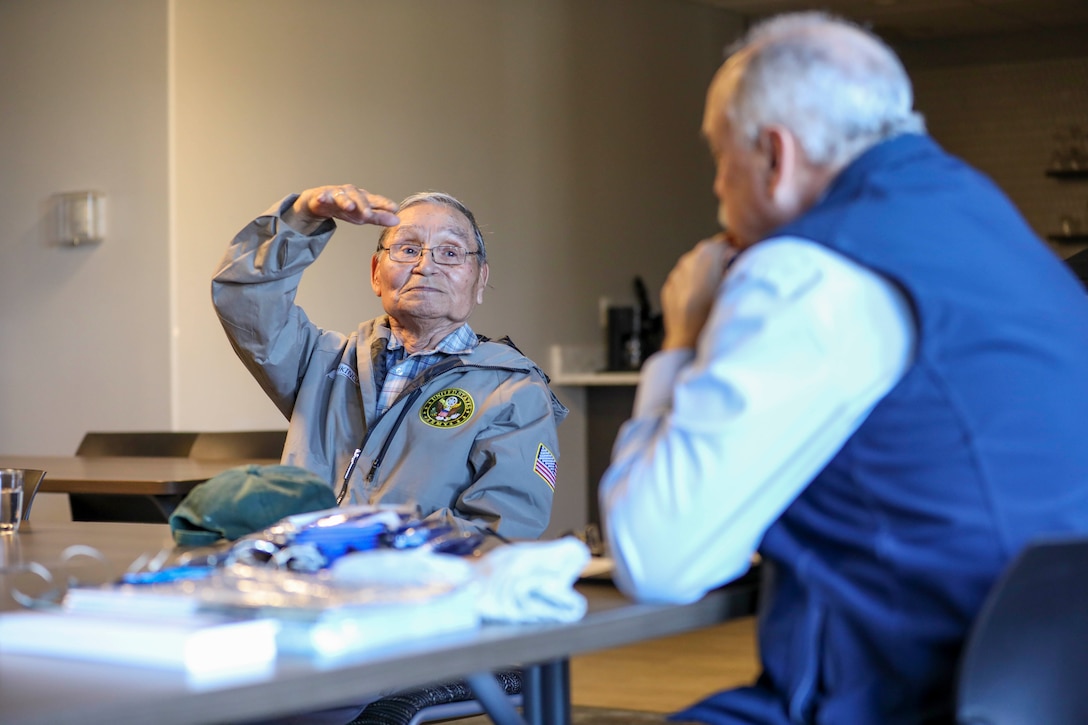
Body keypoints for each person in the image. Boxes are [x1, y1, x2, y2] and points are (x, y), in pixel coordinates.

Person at [599, 11, 1088, 725]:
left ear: (775, 154)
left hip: (909, 690)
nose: (716, 191)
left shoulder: (809, 270)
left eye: (718, 158)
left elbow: (659, 559)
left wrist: (679, 341)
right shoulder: (996, 227)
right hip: (1045, 687)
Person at [213, 184, 568, 541]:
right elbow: (244, 298)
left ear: (479, 281)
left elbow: (499, 529)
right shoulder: (321, 363)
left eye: (450, 252)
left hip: (413, 590)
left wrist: (363, 553)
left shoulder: (513, 390)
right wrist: (301, 218)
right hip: (302, 580)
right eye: (408, 248)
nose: (425, 265)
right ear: (375, 273)